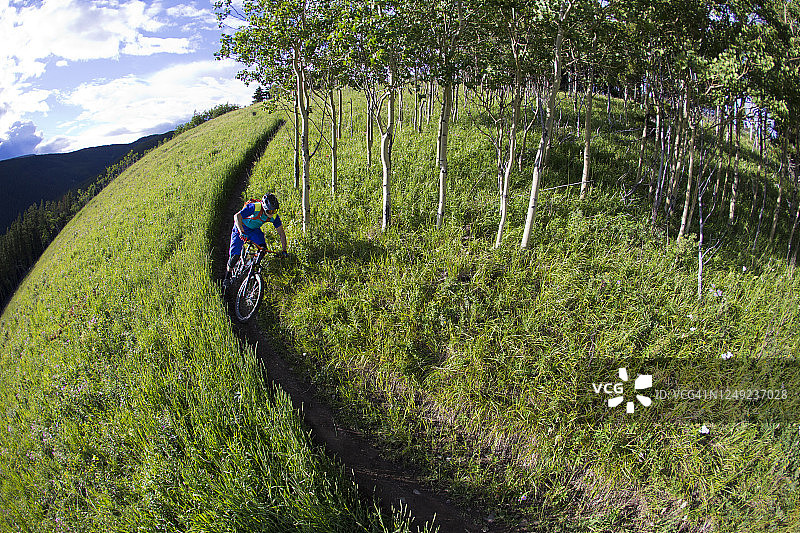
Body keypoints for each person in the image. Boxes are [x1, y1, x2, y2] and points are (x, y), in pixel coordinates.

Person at [223, 193, 288, 290]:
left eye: (274, 210)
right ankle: (227, 277)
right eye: (270, 211)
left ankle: (252, 268)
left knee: (263, 250)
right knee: (234, 257)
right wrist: (241, 231)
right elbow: (237, 216)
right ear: (265, 208)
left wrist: (284, 250)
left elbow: (281, 233)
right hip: (241, 228)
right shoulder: (254, 207)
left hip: (254, 231)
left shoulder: (274, 217)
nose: (272, 213)